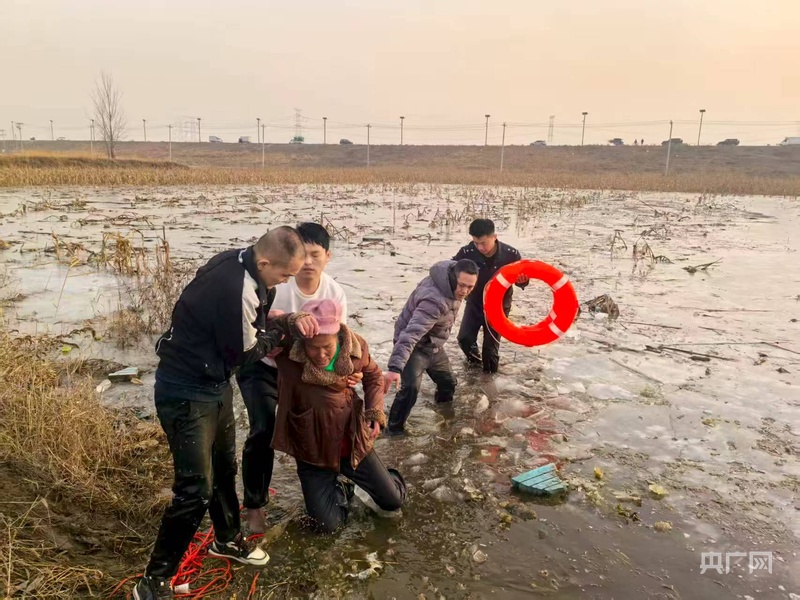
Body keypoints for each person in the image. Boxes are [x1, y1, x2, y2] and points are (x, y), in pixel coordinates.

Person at [133, 227, 320, 600]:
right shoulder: (237, 289)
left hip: (214, 384)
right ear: (264, 263)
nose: (287, 281)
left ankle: (227, 539)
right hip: (185, 391)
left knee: (224, 467)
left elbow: (245, 330)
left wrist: (280, 320)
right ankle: (153, 581)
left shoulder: (242, 262)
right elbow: (245, 355)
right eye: (284, 275)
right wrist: (280, 333)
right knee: (194, 490)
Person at [236, 222, 347, 534]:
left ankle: (326, 488)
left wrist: (343, 374)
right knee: (264, 428)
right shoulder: (277, 282)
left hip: (302, 370)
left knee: (321, 421)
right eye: (303, 255)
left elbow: (336, 343)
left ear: (327, 256)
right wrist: (278, 330)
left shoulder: (334, 293)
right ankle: (255, 505)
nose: (308, 263)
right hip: (262, 366)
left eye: (315, 255)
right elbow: (250, 328)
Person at [270, 298, 406, 533]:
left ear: (338, 338)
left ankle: (386, 476)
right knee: (327, 528)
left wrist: (374, 411)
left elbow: (374, 376)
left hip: (351, 443)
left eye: (327, 347)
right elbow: (261, 325)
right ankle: (342, 488)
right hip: (312, 450)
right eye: (313, 347)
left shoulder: (355, 348)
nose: (321, 354)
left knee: (393, 501)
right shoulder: (288, 347)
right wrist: (290, 319)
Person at [383, 259, 479, 435]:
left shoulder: (450, 279)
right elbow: (410, 335)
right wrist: (395, 368)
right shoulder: (434, 302)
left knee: (448, 382)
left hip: (434, 344)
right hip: (415, 347)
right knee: (410, 389)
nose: (465, 291)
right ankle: (394, 431)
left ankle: (444, 417)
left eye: (470, 287)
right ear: (453, 278)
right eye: (462, 285)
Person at [453, 219, 528, 374]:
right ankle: (474, 368)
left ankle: (489, 381)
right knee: (465, 339)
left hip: (499, 306)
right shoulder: (467, 253)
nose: (480, 248)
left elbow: (522, 282)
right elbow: (450, 269)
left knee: (490, 351)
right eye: (476, 243)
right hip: (475, 303)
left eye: (483, 243)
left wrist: (522, 281)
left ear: (494, 237)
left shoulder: (511, 254)